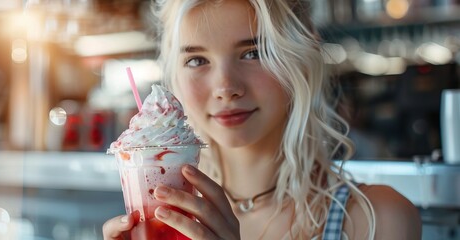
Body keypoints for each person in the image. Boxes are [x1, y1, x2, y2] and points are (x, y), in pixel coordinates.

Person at [103, 0, 421, 239]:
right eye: (197, 59)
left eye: (253, 53)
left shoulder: (379, 219)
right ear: (175, 75)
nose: (226, 87)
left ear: (298, 59)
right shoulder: (162, 225)